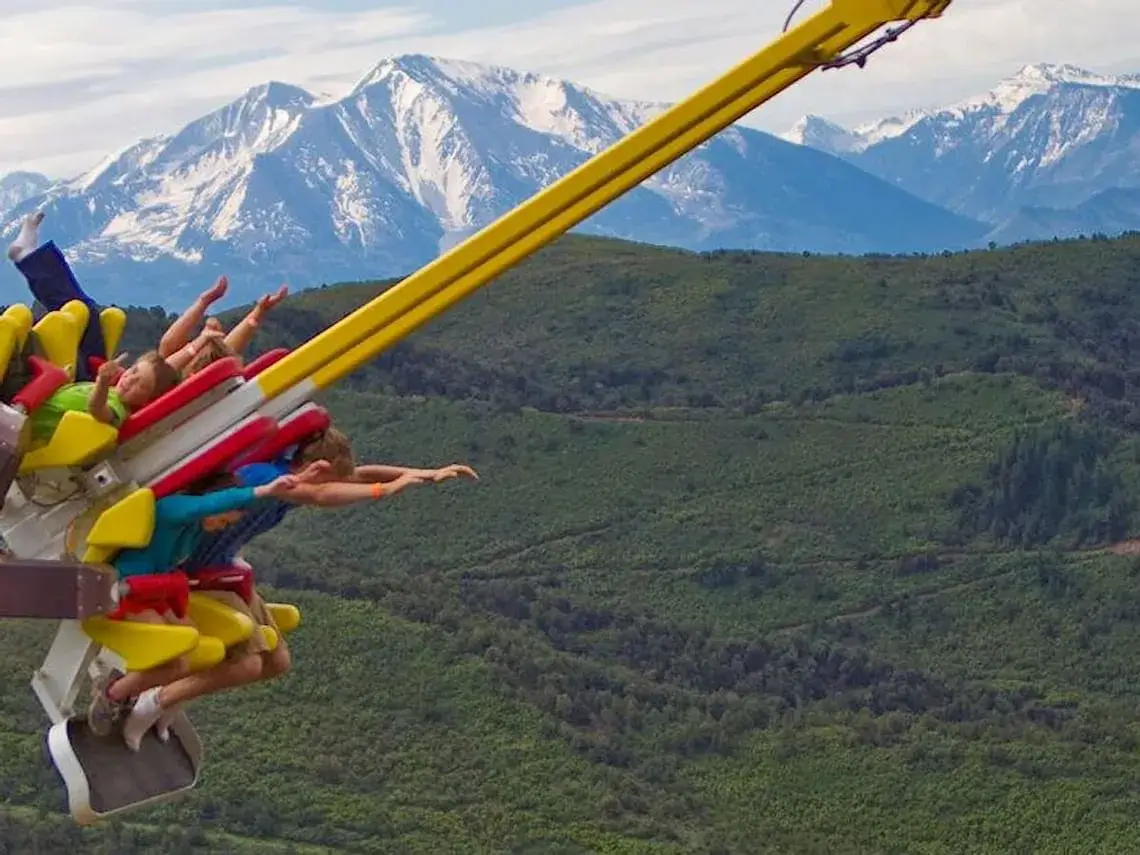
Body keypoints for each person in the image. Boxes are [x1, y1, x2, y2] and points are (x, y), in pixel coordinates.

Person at [117, 428, 479, 744]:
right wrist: (385, 491)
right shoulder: (266, 478)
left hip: (224, 570)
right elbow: (323, 495)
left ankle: (166, 702)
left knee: (277, 662)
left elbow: (357, 475)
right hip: (198, 572)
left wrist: (427, 475)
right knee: (245, 666)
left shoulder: (292, 474)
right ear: (316, 468)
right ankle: (153, 703)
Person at [87, 465, 318, 742]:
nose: (223, 527)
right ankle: (112, 693)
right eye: (224, 520)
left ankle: (142, 694)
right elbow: (210, 503)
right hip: (127, 593)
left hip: (157, 591)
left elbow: (213, 513)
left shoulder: (196, 529)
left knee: (193, 655)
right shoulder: (173, 511)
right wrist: (264, 490)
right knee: (172, 658)